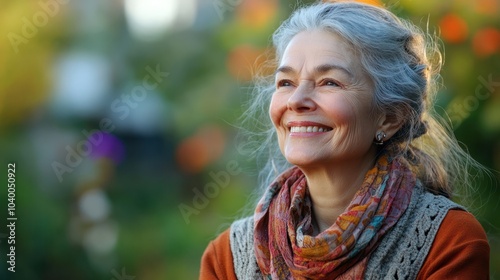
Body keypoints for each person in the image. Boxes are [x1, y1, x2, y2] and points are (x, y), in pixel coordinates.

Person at [200, 1, 490, 279]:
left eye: (330, 82)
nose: (297, 101)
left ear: (390, 117)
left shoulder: (447, 241)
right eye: (286, 83)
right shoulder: (228, 258)